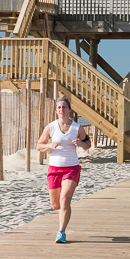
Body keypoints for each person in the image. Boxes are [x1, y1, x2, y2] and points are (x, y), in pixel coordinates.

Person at [36, 96, 91, 243]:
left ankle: (61, 232)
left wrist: (81, 143)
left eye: (64, 107)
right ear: (56, 111)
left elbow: (88, 143)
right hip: (54, 169)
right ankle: (63, 216)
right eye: (59, 108)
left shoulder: (77, 128)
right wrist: (49, 146)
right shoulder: (51, 127)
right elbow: (39, 145)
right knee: (56, 205)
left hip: (71, 168)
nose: (62, 110)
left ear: (69, 110)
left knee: (65, 199)